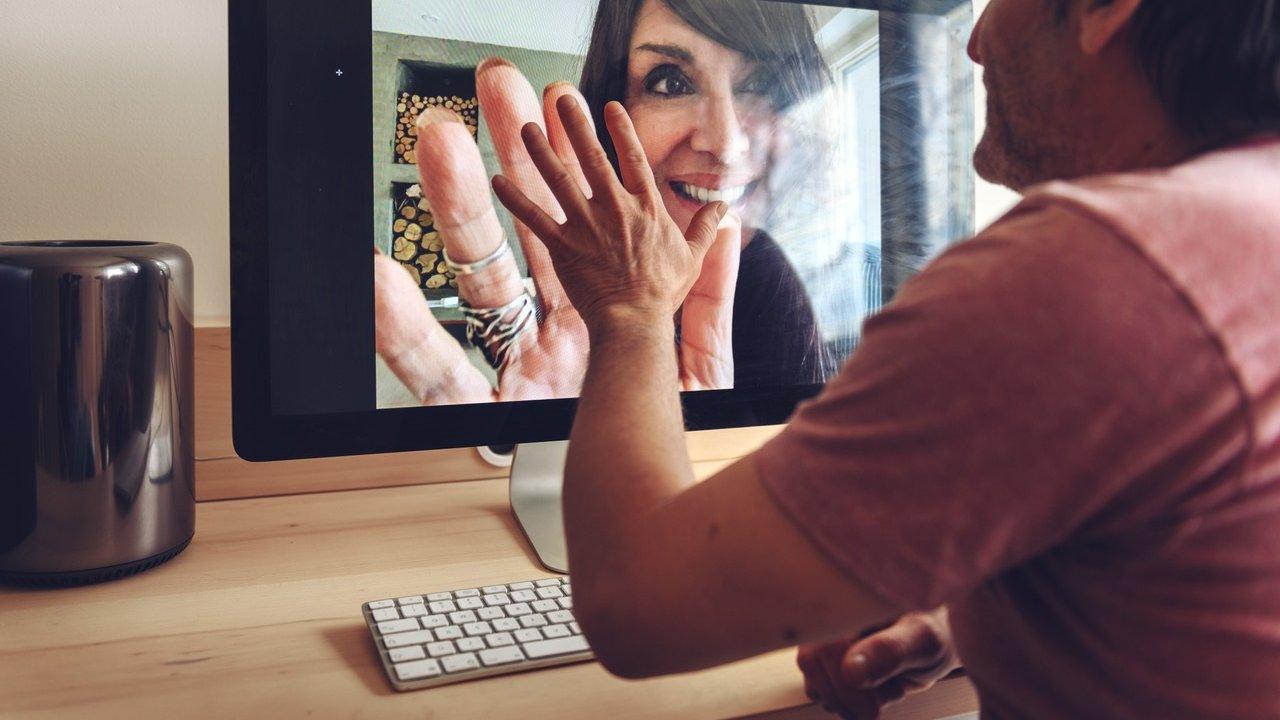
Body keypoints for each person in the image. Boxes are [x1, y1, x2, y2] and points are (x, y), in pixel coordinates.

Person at [488, 0, 1280, 718]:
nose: (972, 42)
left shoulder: (1086, 274)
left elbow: (634, 607)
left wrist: (627, 312)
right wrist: (970, 610)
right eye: (668, 79)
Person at [373, 0, 834, 407]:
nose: (726, 145)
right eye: (670, 82)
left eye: (762, 84)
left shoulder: (860, 310)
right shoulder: (571, 316)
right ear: (611, 107)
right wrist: (580, 445)